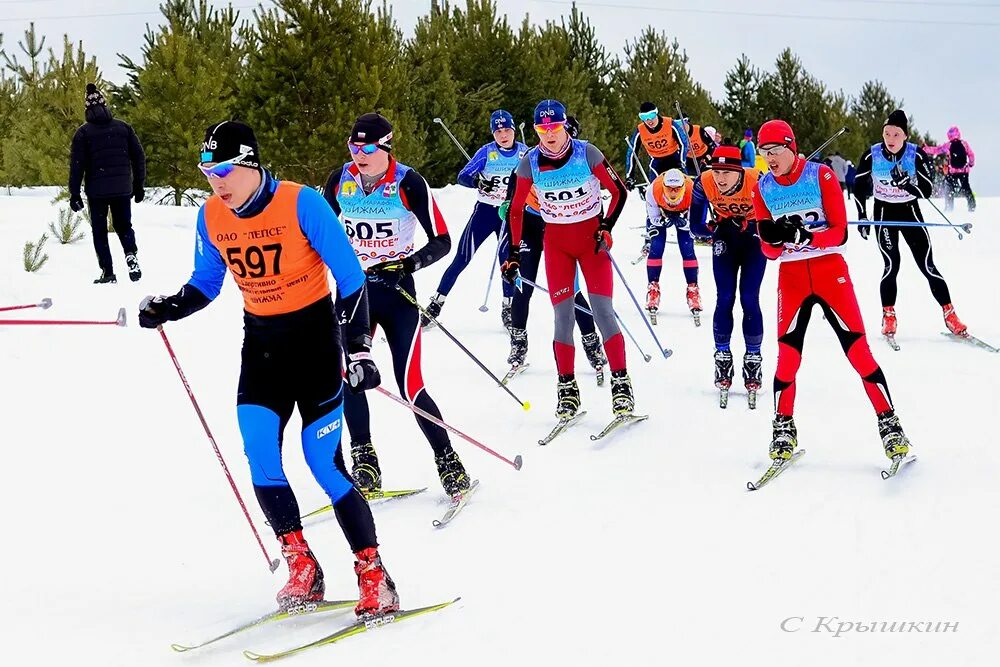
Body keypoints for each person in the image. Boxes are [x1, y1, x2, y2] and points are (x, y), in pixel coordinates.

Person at [137, 120, 399, 617]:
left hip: (317, 345)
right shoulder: (211, 216)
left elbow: (350, 278)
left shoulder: (302, 204)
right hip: (261, 348)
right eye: (206, 171)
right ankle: (301, 562)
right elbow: (206, 283)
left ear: (251, 164)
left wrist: (360, 347)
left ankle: (373, 572)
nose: (215, 181)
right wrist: (169, 307)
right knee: (260, 452)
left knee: (322, 463)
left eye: (223, 170)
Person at [323, 112, 472, 499]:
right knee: (351, 375)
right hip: (354, 293)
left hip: (397, 292)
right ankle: (365, 458)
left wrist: (408, 263)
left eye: (368, 147)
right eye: (353, 146)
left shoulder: (408, 182)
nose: (359, 154)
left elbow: (442, 240)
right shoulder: (340, 180)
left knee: (411, 386)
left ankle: (448, 459)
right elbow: (317, 231)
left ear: (386, 145)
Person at [752, 119, 910, 464]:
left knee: (858, 353)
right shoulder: (762, 187)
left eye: (774, 151)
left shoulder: (819, 175)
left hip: (829, 272)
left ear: (790, 147)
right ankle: (783, 427)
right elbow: (768, 250)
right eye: (764, 154)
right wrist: (775, 240)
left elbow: (839, 233)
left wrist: (805, 237)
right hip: (792, 278)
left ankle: (890, 424)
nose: (770, 159)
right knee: (787, 359)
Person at [504, 99, 632, 419]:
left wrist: (605, 226)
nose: (549, 134)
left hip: (591, 243)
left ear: (565, 127)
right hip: (557, 245)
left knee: (602, 312)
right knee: (563, 317)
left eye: (555, 127)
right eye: (542, 129)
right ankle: (567, 389)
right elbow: (517, 209)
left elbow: (620, 192)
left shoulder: (586, 153)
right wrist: (514, 253)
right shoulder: (528, 163)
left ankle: (621, 384)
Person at [499, 115, 607, 374]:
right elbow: (514, 190)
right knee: (523, 283)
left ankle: (591, 343)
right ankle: (518, 341)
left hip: (561, 227)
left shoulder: (579, 158)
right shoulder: (534, 158)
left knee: (572, 289)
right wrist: (508, 204)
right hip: (531, 224)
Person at [852, 109, 967, 338]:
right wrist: (862, 215)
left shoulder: (916, 155)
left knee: (927, 265)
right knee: (891, 265)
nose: (890, 139)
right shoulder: (871, 154)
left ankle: (949, 313)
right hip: (884, 213)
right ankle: (889, 315)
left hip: (909, 212)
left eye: (896, 134)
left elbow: (926, 190)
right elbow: (858, 185)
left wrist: (907, 186)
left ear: (905, 135)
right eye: (887, 134)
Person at [421, 110, 527, 329]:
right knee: (462, 257)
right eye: (498, 131)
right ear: (493, 133)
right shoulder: (487, 152)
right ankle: (436, 304)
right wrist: (479, 182)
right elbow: (463, 176)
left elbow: (535, 178)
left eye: (507, 130)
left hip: (509, 215)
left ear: (514, 130)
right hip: (485, 212)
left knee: (507, 261)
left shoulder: (524, 153)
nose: (503, 135)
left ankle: (508, 308)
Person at [695, 144, 766, 397]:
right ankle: (722, 357)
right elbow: (695, 226)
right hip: (725, 238)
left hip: (753, 239)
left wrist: (753, 223)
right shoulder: (704, 181)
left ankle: (753, 358)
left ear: (740, 171)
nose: (720, 178)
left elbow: (776, 217)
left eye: (727, 172)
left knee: (749, 298)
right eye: (717, 171)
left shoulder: (757, 179)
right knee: (724, 297)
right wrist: (716, 227)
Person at [69, 83, 146, 284]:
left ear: (87, 109)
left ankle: (108, 271)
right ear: (106, 106)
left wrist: (74, 193)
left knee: (100, 231)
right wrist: (138, 184)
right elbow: (139, 157)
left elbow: (77, 165)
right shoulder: (123, 128)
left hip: (97, 192)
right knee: (123, 225)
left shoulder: (83, 133)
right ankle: (131, 254)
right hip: (122, 189)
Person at [643, 168, 701, 321]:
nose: (673, 193)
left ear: (683, 187)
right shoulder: (653, 190)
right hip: (661, 212)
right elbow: (653, 218)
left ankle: (693, 289)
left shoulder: (693, 190)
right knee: (656, 246)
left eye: (677, 189)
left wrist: (683, 222)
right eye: (669, 189)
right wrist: (664, 220)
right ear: (663, 186)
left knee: (687, 248)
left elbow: (696, 223)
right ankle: (653, 288)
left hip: (685, 214)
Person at [624, 101, 687, 187]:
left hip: (674, 159)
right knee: (655, 189)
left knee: (683, 187)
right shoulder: (640, 131)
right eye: (644, 117)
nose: (649, 120)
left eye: (651, 115)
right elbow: (632, 153)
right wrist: (629, 176)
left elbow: (683, 143)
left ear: (656, 113)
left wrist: (682, 162)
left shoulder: (669, 124)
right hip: (656, 162)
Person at [922, 126, 976, 212]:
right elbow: (971, 155)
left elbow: (937, 150)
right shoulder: (964, 144)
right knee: (966, 188)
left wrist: (926, 149)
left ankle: (949, 208)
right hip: (964, 171)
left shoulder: (948, 145)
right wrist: (971, 164)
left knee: (950, 190)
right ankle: (972, 206)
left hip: (953, 172)